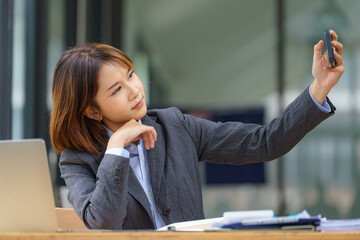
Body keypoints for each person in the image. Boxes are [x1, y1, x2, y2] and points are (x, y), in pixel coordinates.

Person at [50, 30, 344, 230]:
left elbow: (265, 143)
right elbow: (102, 221)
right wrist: (116, 149)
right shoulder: (77, 159)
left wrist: (319, 87)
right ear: (92, 110)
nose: (134, 90)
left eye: (131, 75)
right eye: (116, 90)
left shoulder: (175, 126)